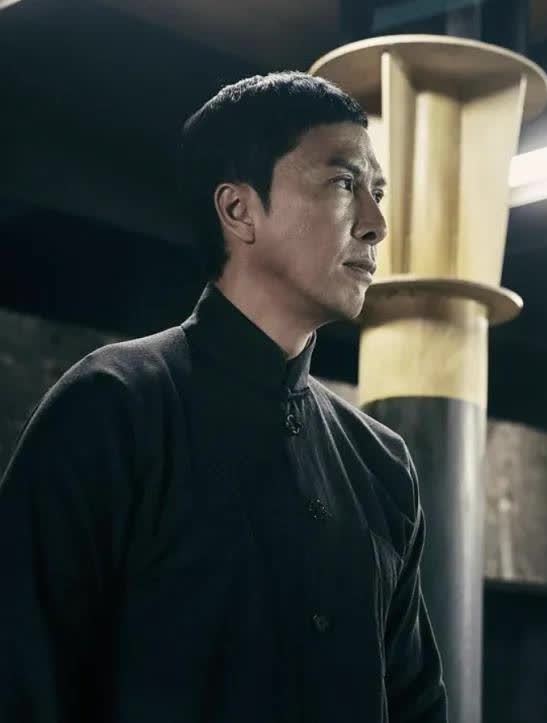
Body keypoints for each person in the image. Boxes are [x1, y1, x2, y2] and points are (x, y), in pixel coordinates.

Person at [0, 72, 447, 723]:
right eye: (343, 183)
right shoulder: (111, 408)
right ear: (239, 210)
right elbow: (19, 681)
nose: (376, 224)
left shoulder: (381, 464)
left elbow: (417, 707)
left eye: (376, 192)